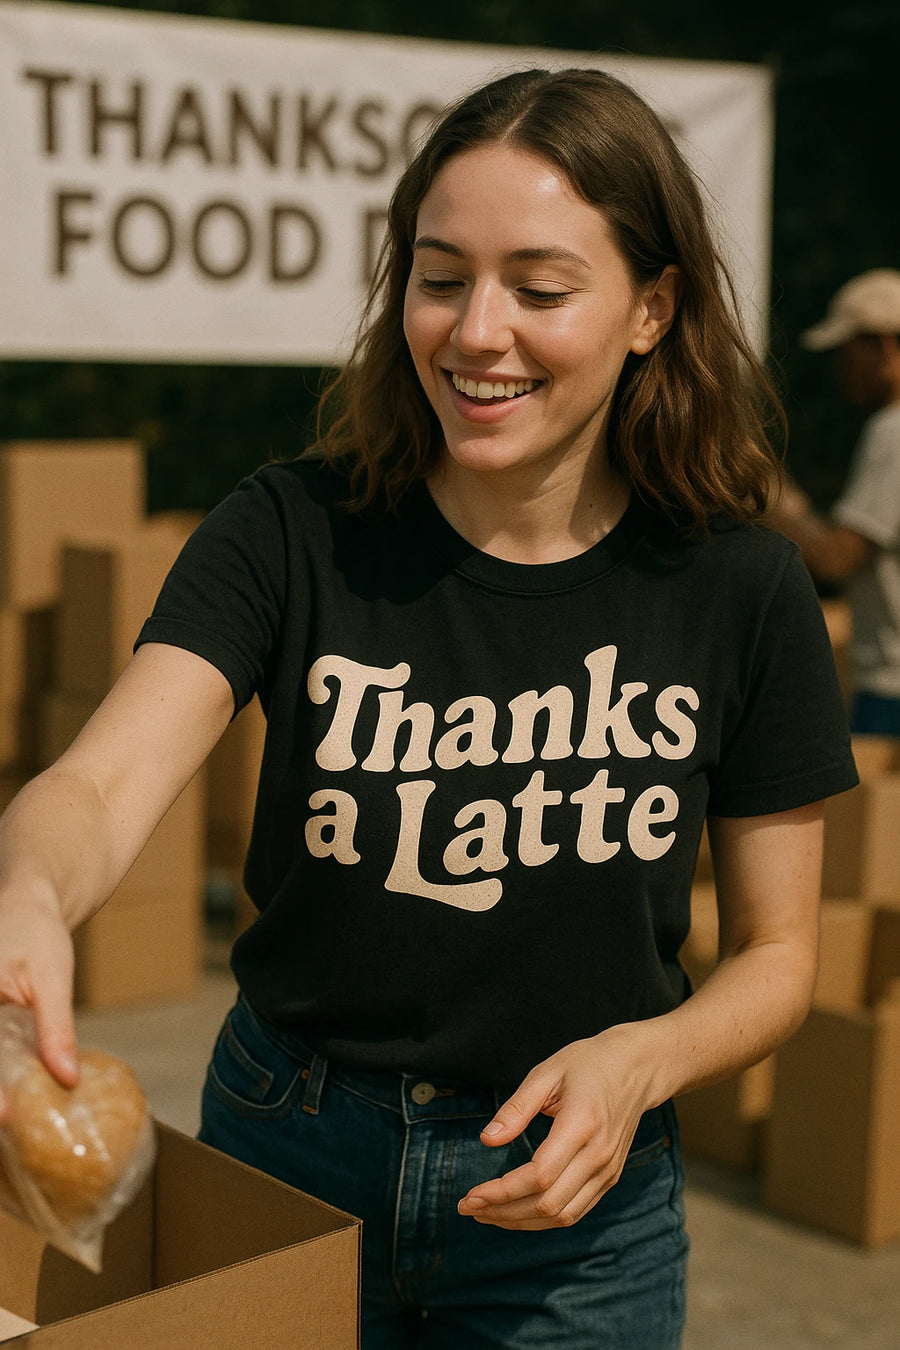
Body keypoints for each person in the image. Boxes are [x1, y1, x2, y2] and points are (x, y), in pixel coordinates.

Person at [0, 68, 857, 1348]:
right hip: (284, 1149)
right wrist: (24, 895)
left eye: (541, 288)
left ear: (652, 309)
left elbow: (782, 959)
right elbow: (99, 788)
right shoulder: (291, 530)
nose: (476, 331)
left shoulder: (741, 585)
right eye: (441, 275)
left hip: (578, 1215)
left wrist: (644, 1062)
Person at [768, 268, 900, 735]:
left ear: (883, 345)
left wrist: (763, 487)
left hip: (891, 690)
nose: (840, 370)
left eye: (846, 353)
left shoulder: (893, 430)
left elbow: (837, 558)